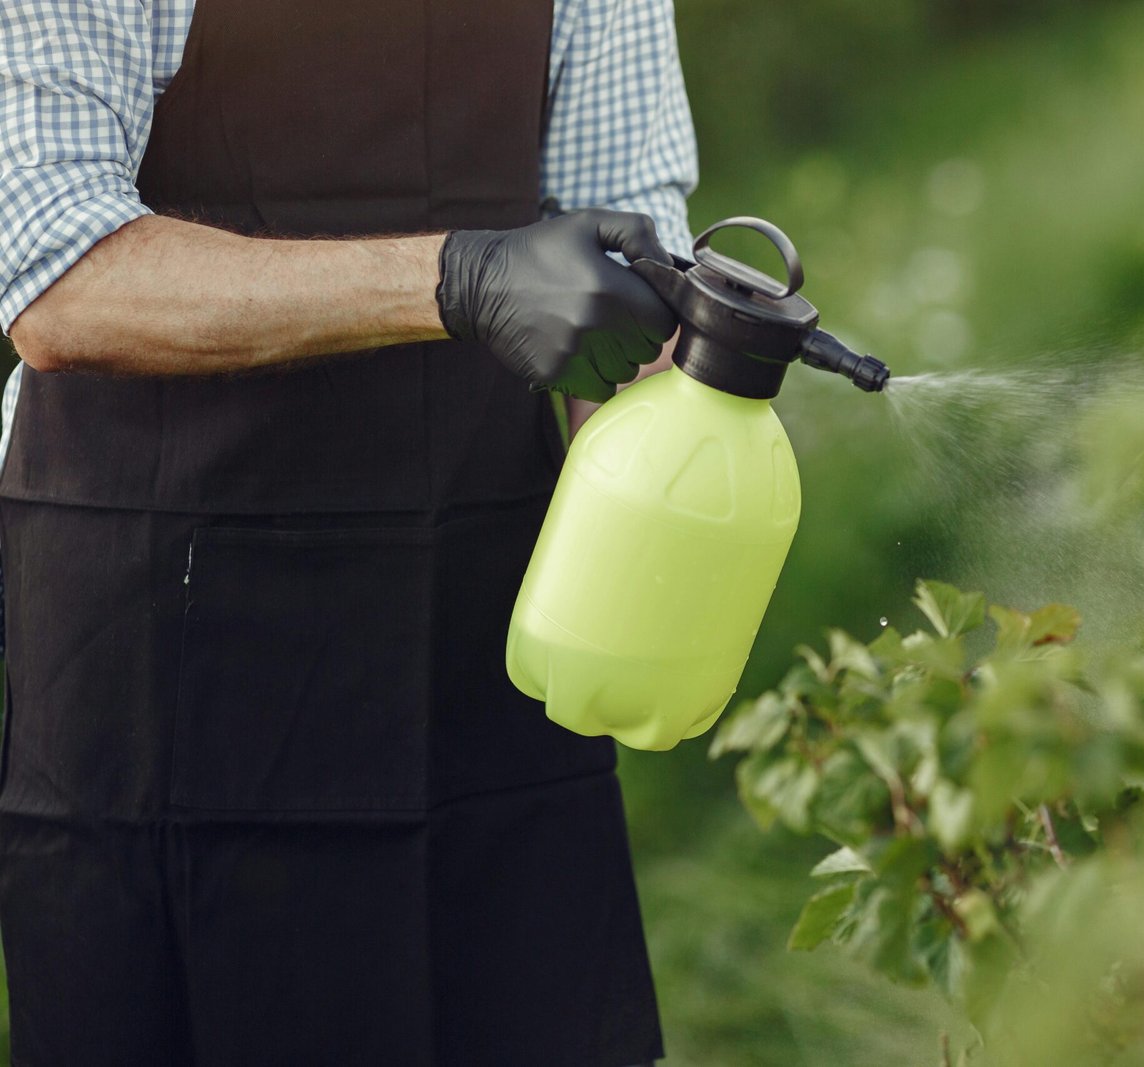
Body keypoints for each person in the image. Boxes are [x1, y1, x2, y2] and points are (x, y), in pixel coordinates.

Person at [0, 0, 697, 1063]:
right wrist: (456, 277)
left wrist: (687, 384)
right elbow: (60, 274)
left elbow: (630, 251)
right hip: (161, 659)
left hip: (474, 632)